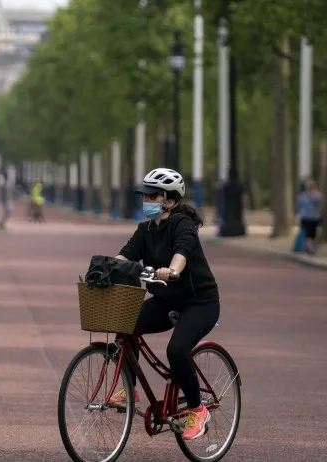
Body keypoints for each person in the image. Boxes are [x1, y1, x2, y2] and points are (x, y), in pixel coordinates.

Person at [112, 167, 220, 442]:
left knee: (177, 350)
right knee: (126, 323)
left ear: (169, 201)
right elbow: (125, 255)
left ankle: (198, 409)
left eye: (152, 196)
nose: (146, 200)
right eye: (144, 195)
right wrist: (107, 267)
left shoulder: (183, 225)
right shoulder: (145, 229)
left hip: (200, 303)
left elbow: (181, 253)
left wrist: (171, 270)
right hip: (166, 300)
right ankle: (128, 390)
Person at [296, 179, 322, 254]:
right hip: (308, 217)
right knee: (308, 234)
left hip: (312, 217)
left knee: (311, 234)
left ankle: (308, 247)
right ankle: (309, 248)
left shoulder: (314, 196)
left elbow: (299, 206)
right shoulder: (303, 196)